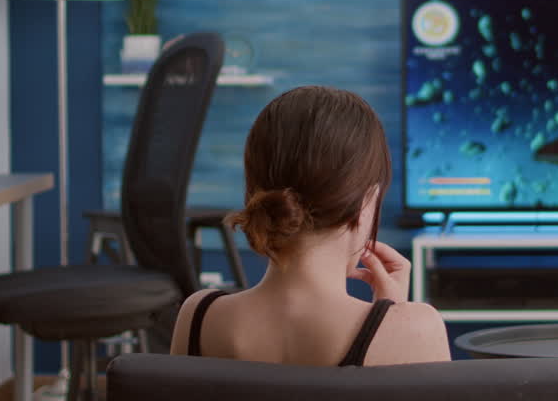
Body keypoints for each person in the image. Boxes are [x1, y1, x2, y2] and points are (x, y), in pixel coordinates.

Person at [171, 86, 451, 366]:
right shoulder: (417, 330)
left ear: (254, 192)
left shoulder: (197, 318)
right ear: (366, 203)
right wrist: (393, 318)